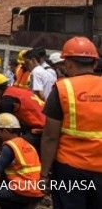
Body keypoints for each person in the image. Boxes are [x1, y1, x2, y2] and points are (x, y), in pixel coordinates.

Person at [40, 36, 102, 208]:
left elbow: (50, 137)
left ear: (68, 64)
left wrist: (44, 175)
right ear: (95, 64)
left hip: (70, 169)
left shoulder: (62, 88)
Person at [0, 113, 43, 208]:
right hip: (38, 190)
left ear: (5, 131)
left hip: (24, 191)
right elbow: (19, 162)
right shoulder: (26, 144)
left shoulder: (10, 146)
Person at [0, 73, 44, 151]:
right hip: (47, 126)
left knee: (13, 147)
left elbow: (4, 128)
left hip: (39, 130)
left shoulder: (6, 99)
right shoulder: (17, 91)